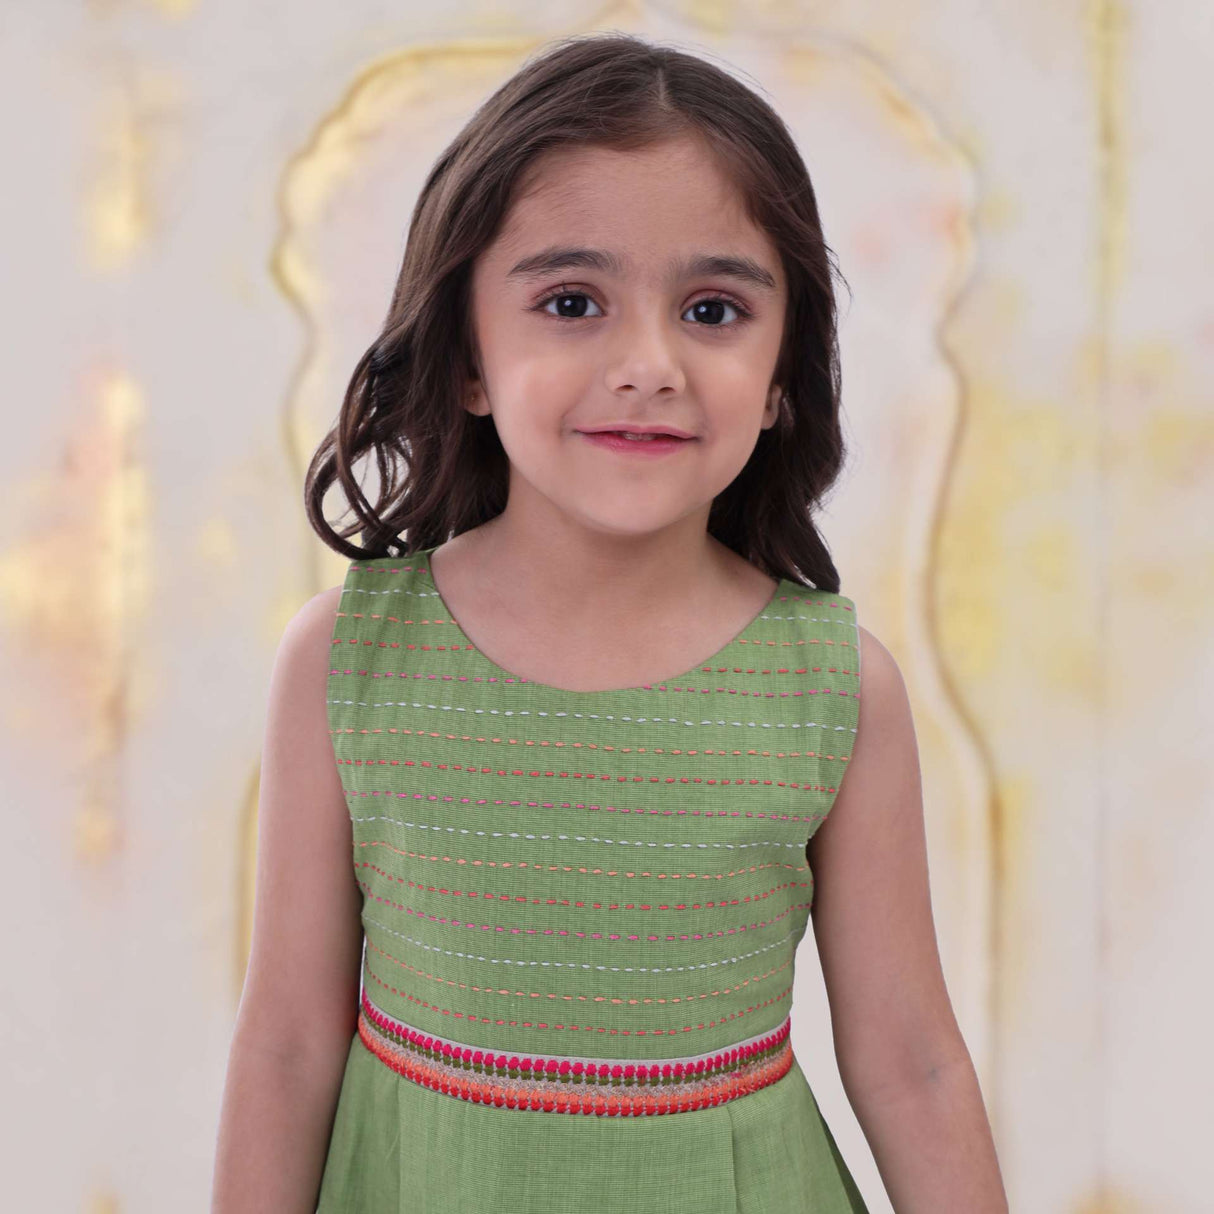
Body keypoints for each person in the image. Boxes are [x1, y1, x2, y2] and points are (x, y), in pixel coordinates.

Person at [211, 31, 1009, 1214]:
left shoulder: (836, 686)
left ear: (784, 369)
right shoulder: (345, 661)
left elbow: (912, 1062)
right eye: (571, 301)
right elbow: (284, 1040)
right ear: (467, 353)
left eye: (711, 307)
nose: (648, 363)